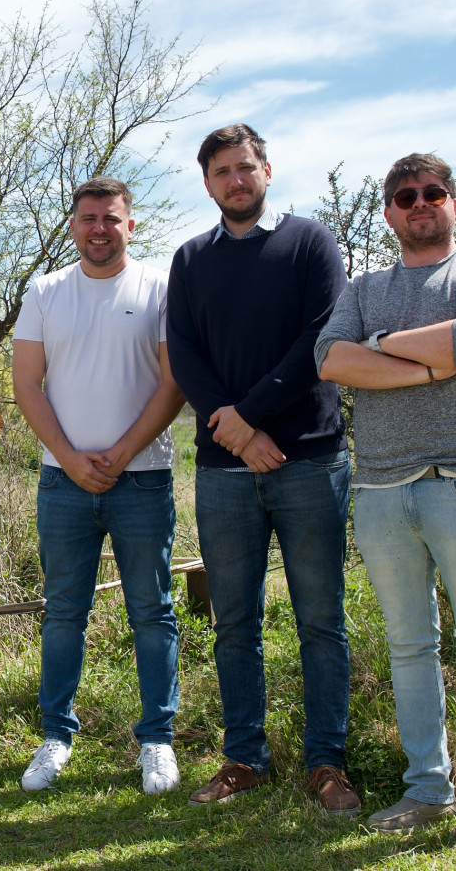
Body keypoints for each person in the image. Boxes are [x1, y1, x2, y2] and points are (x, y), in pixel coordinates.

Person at [316, 153, 456, 859]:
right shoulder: (365, 285)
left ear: (454, 204)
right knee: (410, 649)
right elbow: (329, 358)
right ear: (388, 212)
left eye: (433, 192)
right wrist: (431, 361)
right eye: (405, 195)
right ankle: (427, 790)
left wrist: (379, 350)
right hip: (380, 490)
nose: (420, 203)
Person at [166, 124, 358, 814]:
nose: (234, 180)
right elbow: (183, 354)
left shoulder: (311, 242)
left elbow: (320, 337)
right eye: (221, 171)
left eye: (244, 167)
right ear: (208, 182)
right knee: (235, 623)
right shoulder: (189, 260)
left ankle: (326, 763)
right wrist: (237, 432)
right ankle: (245, 758)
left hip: (309, 458)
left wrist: (250, 416)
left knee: (320, 620)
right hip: (223, 472)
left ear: (266, 171)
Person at [11, 176, 186, 795]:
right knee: (64, 613)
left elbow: (173, 382)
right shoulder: (46, 291)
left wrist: (119, 453)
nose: (99, 229)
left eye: (111, 219)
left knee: (152, 612)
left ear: (129, 225)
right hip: (63, 483)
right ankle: (56, 735)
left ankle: (157, 740)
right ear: (73, 226)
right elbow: (27, 384)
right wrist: (70, 456)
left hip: (142, 480)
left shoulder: (161, 287)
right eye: (88, 219)